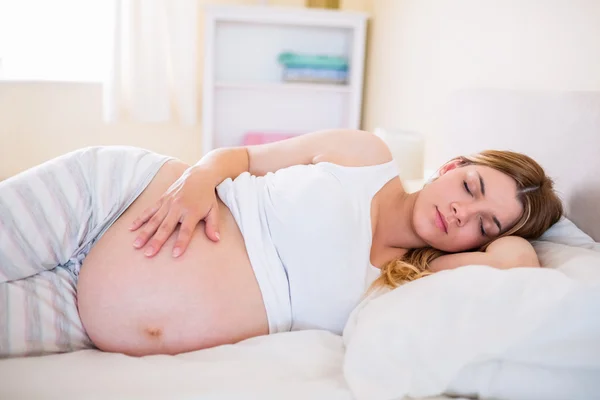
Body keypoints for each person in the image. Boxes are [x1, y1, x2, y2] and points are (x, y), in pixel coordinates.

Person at [0, 129, 562, 358]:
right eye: (470, 186)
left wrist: (507, 237)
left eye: (484, 224)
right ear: (450, 165)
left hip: (81, 320)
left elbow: (516, 267)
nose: (463, 210)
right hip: (115, 196)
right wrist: (197, 184)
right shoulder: (364, 155)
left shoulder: (404, 281)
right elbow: (238, 159)